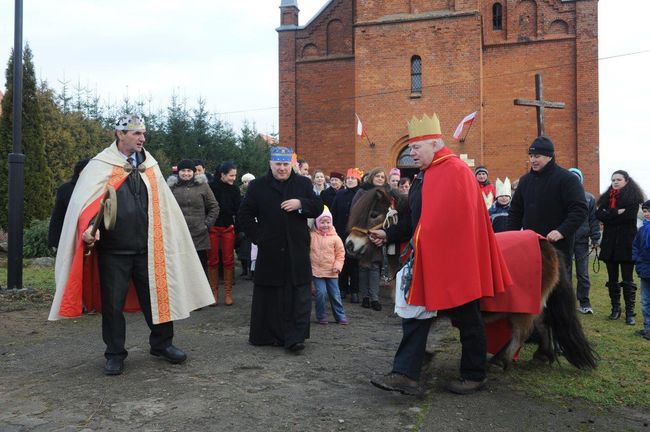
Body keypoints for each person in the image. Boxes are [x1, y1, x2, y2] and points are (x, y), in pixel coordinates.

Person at [49, 114, 214, 375]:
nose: (142, 138)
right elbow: (88, 204)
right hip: (114, 250)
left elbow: (163, 207)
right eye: (136, 133)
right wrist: (89, 230)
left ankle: (162, 344)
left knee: (158, 298)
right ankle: (115, 353)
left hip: (149, 246)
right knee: (112, 305)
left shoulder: (150, 165)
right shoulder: (101, 164)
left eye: (143, 133)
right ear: (120, 134)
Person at [369, 113, 511, 395]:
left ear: (434, 144)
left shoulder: (456, 171)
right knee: (416, 314)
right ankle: (406, 374)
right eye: (409, 148)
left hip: (456, 262)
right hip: (429, 258)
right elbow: (415, 220)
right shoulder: (424, 175)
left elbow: (458, 221)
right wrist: (389, 234)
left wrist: (428, 243)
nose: (411, 153)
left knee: (467, 319)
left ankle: (474, 374)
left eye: (415, 148)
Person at [238, 146, 323, 353]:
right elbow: (244, 215)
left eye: (285, 164)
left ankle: (295, 338)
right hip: (270, 249)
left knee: (299, 293)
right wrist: (259, 237)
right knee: (271, 293)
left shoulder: (302, 183)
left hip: (296, 248)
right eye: (278, 164)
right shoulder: (258, 186)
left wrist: (300, 203)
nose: (282, 168)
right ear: (270, 164)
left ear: (291, 165)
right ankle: (269, 335)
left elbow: (318, 206)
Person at [507, 136, 588, 277]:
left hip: (557, 246)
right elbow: (515, 212)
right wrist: (509, 238)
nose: (533, 160)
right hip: (531, 246)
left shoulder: (567, 179)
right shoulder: (525, 181)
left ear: (549, 156)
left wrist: (561, 231)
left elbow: (579, 209)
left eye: (537, 156)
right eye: (531, 156)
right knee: (532, 285)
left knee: (558, 291)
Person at [596, 170, 645, 324]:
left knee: (628, 279)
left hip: (626, 244)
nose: (615, 182)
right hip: (610, 244)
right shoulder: (606, 197)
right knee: (612, 279)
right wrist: (616, 212)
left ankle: (630, 313)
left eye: (618, 179)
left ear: (626, 181)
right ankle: (615, 309)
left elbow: (628, 217)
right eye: (613, 180)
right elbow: (599, 215)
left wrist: (609, 215)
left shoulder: (633, 197)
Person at [167, 159, 219, 274]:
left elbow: (214, 207)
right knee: (181, 271)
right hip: (178, 235)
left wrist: (206, 225)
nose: (186, 173)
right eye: (183, 171)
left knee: (199, 270)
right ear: (178, 172)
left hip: (199, 235)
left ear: (194, 172)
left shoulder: (203, 186)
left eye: (189, 170)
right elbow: (165, 208)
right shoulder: (171, 187)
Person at [352, 166, 389, 311]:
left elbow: (389, 214)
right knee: (363, 266)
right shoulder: (362, 191)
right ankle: (365, 297)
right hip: (363, 232)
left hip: (378, 234)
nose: (379, 179)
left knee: (375, 266)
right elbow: (355, 211)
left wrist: (382, 232)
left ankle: (374, 298)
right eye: (377, 176)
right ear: (372, 177)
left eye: (382, 177)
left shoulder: (387, 193)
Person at [568, 168, 601, 314]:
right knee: (565, 273)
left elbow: (593, 220)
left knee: (583, 274)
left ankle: (585, 302)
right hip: (565, 240)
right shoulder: (561, 195)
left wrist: (595, 238)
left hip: (582, 240)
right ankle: (567, 303)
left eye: (576, 177)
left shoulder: (589, 198)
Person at [208, 162, 241, 306]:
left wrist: (236, 226)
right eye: (231, 175)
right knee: (212, 260)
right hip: (213, 228)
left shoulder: (234, 190)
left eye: (235, 175)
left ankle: (228, 293)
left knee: (228, 260)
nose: (233, 178)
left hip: (228, 228)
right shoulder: (211, 187)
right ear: (222, 174)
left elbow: (238, 209)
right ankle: (213, 293)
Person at [310, 206, 348, 325]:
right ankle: (321, 315)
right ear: (317, 223)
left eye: (328, 222)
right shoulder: (312, 236)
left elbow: (340, 254)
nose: (325, 225)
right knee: (320, 294)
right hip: (317, 272)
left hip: (332, 272)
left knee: (335, 295)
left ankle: (340, 316)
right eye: (322, 222)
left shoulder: (336, 238)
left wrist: (338, 266)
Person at [331, 168, 362, 303]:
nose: (350, 180)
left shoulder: (362, 195)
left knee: (354, 262)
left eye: (352, 179)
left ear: (358, 180)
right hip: (340, 232)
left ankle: (355, 290)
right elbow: (334, 212)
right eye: (348, 179)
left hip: (355, 234)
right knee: (341, 260)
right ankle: (342, 288)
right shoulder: (340, 194)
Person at [48, 158, 90, 249]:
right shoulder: (66, 189)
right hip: (70, 236)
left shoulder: (96, 188)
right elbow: (58, 216)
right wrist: (54, 241)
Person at [632, 200, 650, 340]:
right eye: (645, 211)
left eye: (649, 211)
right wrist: (638, 261)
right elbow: (635, 247)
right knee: (645, 301)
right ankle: (648, 328)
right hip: (645, 270)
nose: (647, 214)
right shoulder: (642, 230)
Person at [237, 173, 256, 278]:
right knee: (242, 251)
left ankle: (251, 272)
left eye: (248, 181)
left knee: (251, 252)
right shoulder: (239, 193)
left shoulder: (256, 192)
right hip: (242, 225)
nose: (246, 184)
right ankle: (244, 270)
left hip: (253, 224)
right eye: (244, 181)